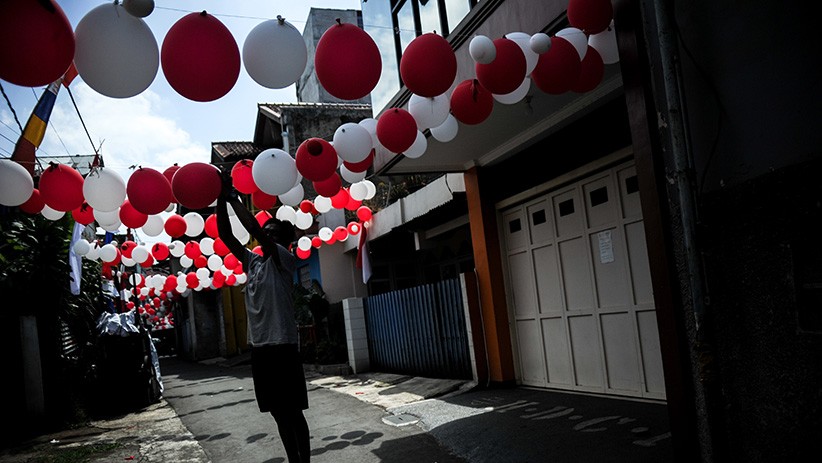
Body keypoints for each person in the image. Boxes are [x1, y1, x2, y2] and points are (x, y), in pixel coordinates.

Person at [216, 177, 310, 462]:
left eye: (271, 233)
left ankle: (304, 461)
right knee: (277, 412)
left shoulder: (283, 258)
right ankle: (294, 460)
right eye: (266, 232)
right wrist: (221, 199)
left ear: (282, 240)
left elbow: (254, 229)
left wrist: (233, 197)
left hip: (282, 345)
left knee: (293, 411)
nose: (264, 236)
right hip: (261, 349)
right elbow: (226, 236)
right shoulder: (253, 263)